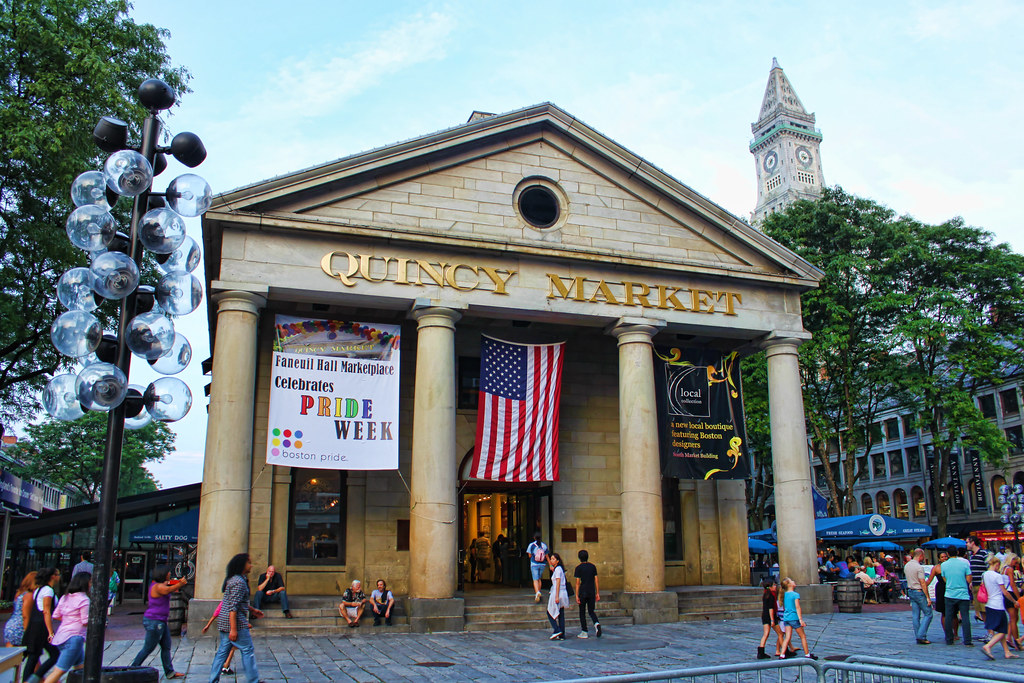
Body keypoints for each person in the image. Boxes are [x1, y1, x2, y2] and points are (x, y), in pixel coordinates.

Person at [208, 553, 263, 683]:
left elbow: (234, 601)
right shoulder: (239, 582)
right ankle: (253, 680)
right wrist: (233, 629)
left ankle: (213, 679)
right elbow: (233, 607)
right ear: (242, 565)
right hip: (235, 623)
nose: (251, 565)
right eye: (249, 562)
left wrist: (252, 610)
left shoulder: (233, 580)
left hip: (225, 620)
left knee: (222, 652)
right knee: (247, 649)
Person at [129, 565, 188, 678]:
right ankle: (133, 668)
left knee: (166, 646)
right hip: (154, 622)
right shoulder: (157, 587)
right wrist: (180, 583)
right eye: (168, 572)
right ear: (163, 574)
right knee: (148, 648)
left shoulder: (161, 584)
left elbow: (171, 584)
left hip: (161, 621)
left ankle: (169, 672)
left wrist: (177, 581)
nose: (170, 574)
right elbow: (169, 589)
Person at [42, 572, 91, 683]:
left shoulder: (65, 597)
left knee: (81, 669)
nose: (91, 584)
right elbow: (85, 621)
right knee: (59, 671)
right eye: (90, 582)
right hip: (75, 637)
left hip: (62, 635)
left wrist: (69, 619)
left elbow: (56, 615)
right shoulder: (84, 600)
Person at [22, 567, 61, 683]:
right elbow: (46, 611)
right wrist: (50, 631)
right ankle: (35, 677)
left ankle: (29, 679)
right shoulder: (48, 591)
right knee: (53, 654)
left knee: (34, 655)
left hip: (35, 625)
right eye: (58, 574)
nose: (59, 577)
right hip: (41, 626)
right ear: (52, 576)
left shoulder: (39, 590)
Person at [982, 554, 1019, 660]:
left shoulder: (984, 574)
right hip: (997, 605)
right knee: (1003, 631)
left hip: (989, 604)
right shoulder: (997, 576)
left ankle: (1007, 652)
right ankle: (988, 646)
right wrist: (1014, 601)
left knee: (1000, 629)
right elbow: (1005, 592)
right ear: (997, 564)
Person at [778, 577, 816, 660]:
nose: (794, 581)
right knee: (802, 636)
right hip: (794, 617)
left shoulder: (784, 595)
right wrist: (800, 619)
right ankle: (807, 654)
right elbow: (797, 607)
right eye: (792, 581)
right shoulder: (795, 594)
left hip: (786, 618)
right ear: (789, 585)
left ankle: (782, 654)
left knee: (787, 637)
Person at [941, 547, 973, 646]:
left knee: (948, 616)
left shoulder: (944, 565)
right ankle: (967, 640)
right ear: (957, 553)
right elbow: (969, 578)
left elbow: (944, 578)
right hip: (963, 593)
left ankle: (949, 639)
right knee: (965, 617)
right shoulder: (964, 563)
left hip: (950, 593)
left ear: (947, 554)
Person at [904, 548, 933, 644]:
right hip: (918, 591)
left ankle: (918, 635)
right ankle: (921, 635)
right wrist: (928, 597)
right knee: (928, 613)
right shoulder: (919, 567)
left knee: (915, 615)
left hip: (911, 591)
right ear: (920, 556)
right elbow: (923, 583)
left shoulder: (907, 565)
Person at [201, 602, 237, 677]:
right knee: (231, 647)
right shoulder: (232, 602)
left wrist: (208, 625)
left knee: (228, 647)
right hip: (230, 627)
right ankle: (225, 666)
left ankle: (223, 666)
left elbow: (215, 614)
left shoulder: (224, 602)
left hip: (224, 627)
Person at [573, 549, 601, 639]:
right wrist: (598, 592)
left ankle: (584, 631)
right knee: (591, 610)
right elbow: (596, 580)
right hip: (591, 591)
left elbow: (577, 583)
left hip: (583, 591)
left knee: (582, 612)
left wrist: (576, 595)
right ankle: (596, 623)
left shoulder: (578, 568)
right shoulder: (592, 567)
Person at [4, 571, 36, 647]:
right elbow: (25, 615)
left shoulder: (19, 593)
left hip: (11, 624)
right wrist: (27, 632)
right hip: (20, 626)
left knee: (11, 654)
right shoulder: (29, 595)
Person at [757, 577, 784, 659]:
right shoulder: (771, 596)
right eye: (774, 585)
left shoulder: (765, 595)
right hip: (770, 617)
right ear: (771, 586)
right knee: (780, 633)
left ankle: (761, 652)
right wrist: (772, 619)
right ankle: (784, 650)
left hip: (764, 616)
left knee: (766, 634)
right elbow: (771, 609)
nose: (775, 587)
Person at [546, 552, 569, 641]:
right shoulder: (557, 569)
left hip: (558, 592)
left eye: (553, 559)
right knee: (561, 614)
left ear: (557, 560)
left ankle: (557, 629)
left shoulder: (558, 570)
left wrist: (556, 596)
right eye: (551, 559)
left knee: (550, 612)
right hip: (561, 592)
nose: (552, 560)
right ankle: (562, 634)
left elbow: (558, 582)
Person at [1001, 554, 1022, 650]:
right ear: (1011, 560)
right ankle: (1017, 641)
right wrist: (1018, 598)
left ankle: (1009, 637)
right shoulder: (1009, 569)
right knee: (1014, 619)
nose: (1016, 564)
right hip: (1011, 594)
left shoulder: (1003, 568)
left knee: (1012, 618)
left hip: (1005, 594)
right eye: (1015, 562)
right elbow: (1013, 584)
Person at [966, 535, 988, 622]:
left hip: (982, 586)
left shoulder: (983, 553)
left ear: (973, 543)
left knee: (985, 608)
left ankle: (991, 632)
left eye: (967, 542)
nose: (966, 544)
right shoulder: (972, 556)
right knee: (980, 609)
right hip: (975, 585)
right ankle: (989, 631)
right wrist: (971, 582)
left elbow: (988, 568)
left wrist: (984, 582)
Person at [526, 532, 548, 603]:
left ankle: (537, 592)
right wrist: (550, 564)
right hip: (542, 564)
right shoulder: (544, 545)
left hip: (534, 564)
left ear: (534, 538)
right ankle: (539, 591)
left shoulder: (531, 545)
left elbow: (529, 555)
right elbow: (547, 555)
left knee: (535, 579)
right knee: (539, 578)